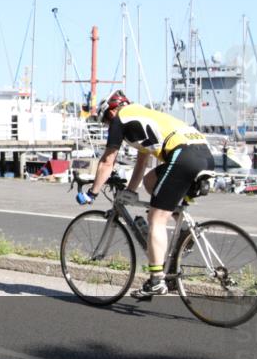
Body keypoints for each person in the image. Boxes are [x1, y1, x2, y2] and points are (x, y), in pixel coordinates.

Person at [76, 90, 214, 299]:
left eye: (105, 121)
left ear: (111, 112)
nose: (107, 126)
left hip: (183, 156)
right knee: (152, 182)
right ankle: (184, 231)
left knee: (156, 219)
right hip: (204, 154)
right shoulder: (142, 116)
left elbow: (107, 161)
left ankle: (156, 281)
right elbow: (142, 163)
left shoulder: (119, 119)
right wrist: (131, 191)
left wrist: (92, 193)